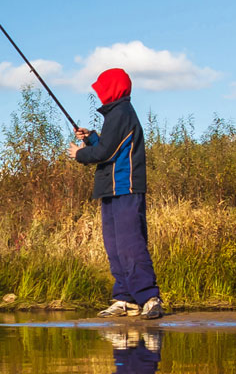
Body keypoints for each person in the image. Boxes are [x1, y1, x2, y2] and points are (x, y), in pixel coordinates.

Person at [68, 68, 163, 320]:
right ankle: (126, 299)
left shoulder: (121, 113)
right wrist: (92, 138)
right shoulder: (116, 115)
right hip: (110, 189)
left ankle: (149, 297)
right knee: (115, 247)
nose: (99, 93)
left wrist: (80, 153)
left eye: (101, 88)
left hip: (126, 187)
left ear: (111, 89)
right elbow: (111, 146)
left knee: (131, 245)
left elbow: (105, 153)